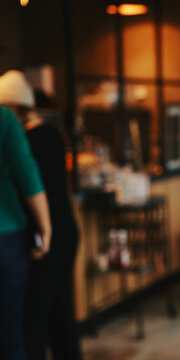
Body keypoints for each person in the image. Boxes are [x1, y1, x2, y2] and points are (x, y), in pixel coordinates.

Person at [0, 70, 82, 360]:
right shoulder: (52, 134)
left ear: (14, 109)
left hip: (43, 235)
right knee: (61, 310)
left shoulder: (25, 137)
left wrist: (42, 232)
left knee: (32, 318)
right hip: (66, 230)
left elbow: (30, 184)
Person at [0, 81, 51, 358]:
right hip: (6, 237)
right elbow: (27, 175)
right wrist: (46, 229)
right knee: (11, 338)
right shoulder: (5, 118)